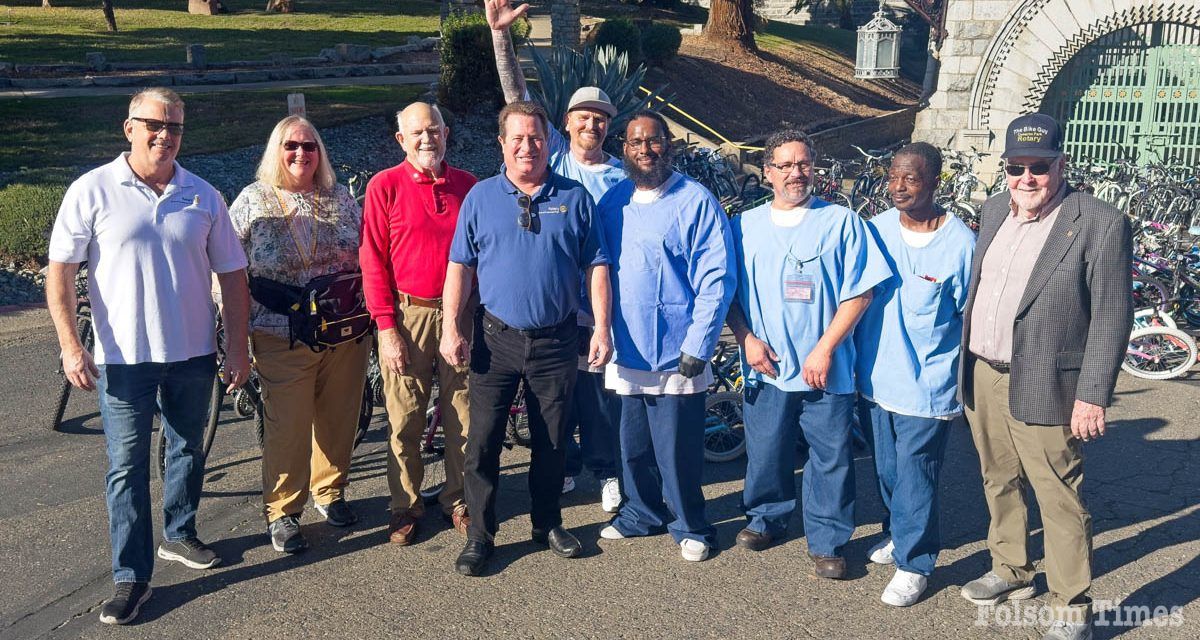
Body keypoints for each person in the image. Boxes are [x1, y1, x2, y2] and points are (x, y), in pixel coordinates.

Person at [46, 87, 250, 625]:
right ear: (129, 127)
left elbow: (232, 275)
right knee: (126, 468)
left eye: (176, 127)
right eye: (154, 124)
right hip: (123, 358)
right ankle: (131, 578)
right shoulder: (91, 190)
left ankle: (180, 534)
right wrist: (71, 344)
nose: (165, 135)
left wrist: (239, 347)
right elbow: (60, 274)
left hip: (194, 353)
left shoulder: (203, 195)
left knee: (187, 448)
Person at [958, 114, 1131, 640]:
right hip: (983, 371)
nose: (1027, 178)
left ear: (1060, 164)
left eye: (1039, 166)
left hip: (1048, 380)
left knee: (1057, 493)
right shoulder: (992, 211)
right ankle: (1011, 568)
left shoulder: (1098, 221)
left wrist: (1093, 396)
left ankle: (1071, 603)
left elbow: (1111, 314)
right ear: (1005, 167)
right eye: (1017, 167)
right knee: (997, 478)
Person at [441, 100, 613, 576]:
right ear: (502, 143)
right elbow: (460, 265)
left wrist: (601, 326)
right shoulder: (480, 198)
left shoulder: (575, 198)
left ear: (548, 142)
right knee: (483, 442)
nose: (526, 146)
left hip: (556, 341)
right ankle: (480, 533)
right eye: (516, 138)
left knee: (552, 440)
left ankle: (546, 523)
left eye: (535, 137)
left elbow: (597, 265)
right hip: (494, 341)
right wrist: (451, 326)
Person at [726, 129, 890, 578]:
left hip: (825, 368)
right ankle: (766, 519)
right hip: (766, 365)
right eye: (785, 165)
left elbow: (861, 293)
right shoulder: (745, 226)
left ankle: (828, 541)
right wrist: (746, 340)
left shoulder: (841, 222)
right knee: (765, 449)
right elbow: (729, 296)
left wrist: (825, 348)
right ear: (768, 172)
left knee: (831, 455)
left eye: (804, 164)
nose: (796, 173)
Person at [486, 0, 624, 509]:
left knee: (602, 397)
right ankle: (563, 467)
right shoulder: (553, 160)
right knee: (558, 398)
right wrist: (502, 39)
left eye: (601, 119)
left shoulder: (621, 175)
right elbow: (517, 100)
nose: (592, 124)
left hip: (603, 299)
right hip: (557, 305)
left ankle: (606, 471)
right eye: (583, 116)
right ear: (565, 123)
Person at [596, 110, 736, 563]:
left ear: (668, 144)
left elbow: (717, 278)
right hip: (626, 344)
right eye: (636, 142)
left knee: (675, 447)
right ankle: (641, 512)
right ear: (624, 149)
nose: (645, 150)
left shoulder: (696, 201)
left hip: (678, 348)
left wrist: (700, 342)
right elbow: (596, 269)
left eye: (653, 141)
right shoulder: (613, 201)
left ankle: (690, 524)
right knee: (632, 442)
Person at [228, 115, 370, 554]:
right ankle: (284, 511)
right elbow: (227, 267)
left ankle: (330, 492)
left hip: (343, 328)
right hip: (280, 330)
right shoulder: (252, 201)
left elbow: (368, 253)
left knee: (339, 416)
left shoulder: (341, 200)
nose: (301, 154)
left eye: (310, 147)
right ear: (277, 150)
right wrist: (230, 319)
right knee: (287, 425)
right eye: (292, 146)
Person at [853, 142, 976, 606]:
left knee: (916, 473)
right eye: (893, 177)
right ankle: (897, 532)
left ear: (935, 182)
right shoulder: (877, 230)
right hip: (877, 378)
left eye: (911, 178)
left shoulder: (960, 244)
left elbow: (966, 315)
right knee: (886, 469)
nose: (898, 187)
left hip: (927, 384)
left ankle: (916, 562)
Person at [360, 102, 478, 545]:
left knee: (461, 414)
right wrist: (386, 328)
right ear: (401, 140)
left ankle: (458, 499)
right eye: (417, 133)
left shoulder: (469, 186)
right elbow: (371, 259)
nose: (427, 139)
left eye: (434, 130)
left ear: (446, 133)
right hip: (406, 315)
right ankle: (405, 505)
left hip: (460, 314)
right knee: (405, 417)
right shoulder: (384, 186)